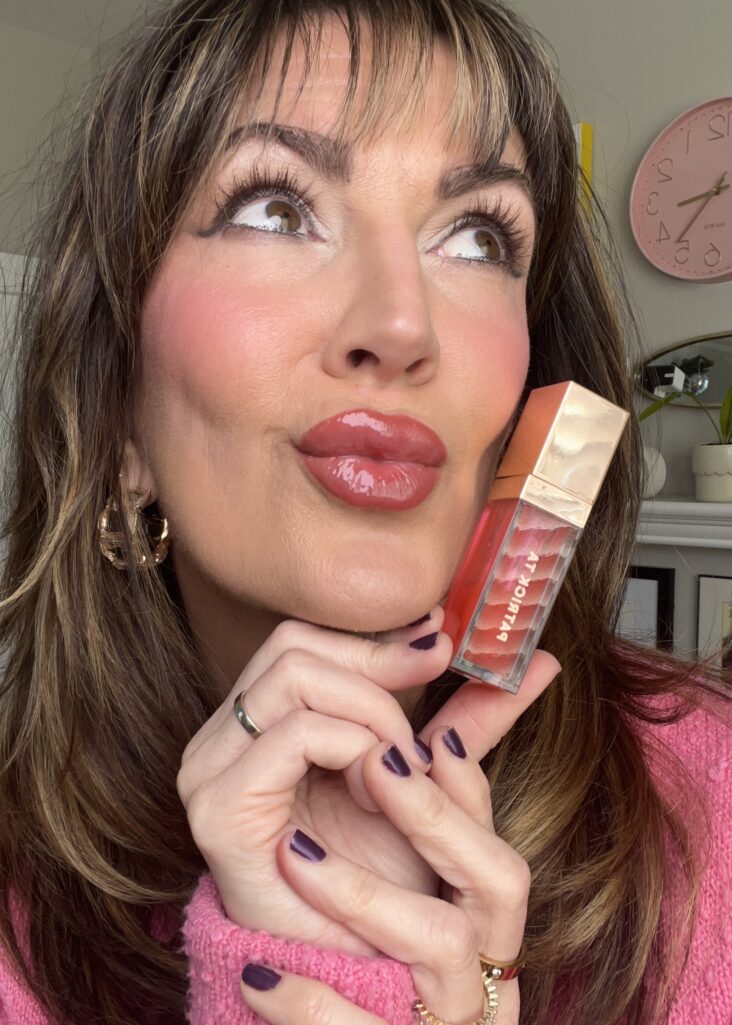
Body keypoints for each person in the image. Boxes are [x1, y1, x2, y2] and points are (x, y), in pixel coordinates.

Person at [0, 1, 729, 1023]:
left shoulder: (714, 798)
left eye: (475, 236)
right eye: (273, 209)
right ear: (119, 419)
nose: (399, 324)